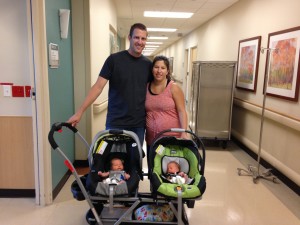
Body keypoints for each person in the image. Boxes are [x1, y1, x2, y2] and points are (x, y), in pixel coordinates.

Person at [67, 23, 152, 145]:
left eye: (143, 38)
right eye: (136, 37)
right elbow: (98, 87)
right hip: (116, 122)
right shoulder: (114, 60)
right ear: (129, 38)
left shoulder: (148, 65)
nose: (140, 42)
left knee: (134, 162)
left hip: (137, 124)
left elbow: (154, 92)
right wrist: (80, 112)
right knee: (114, 162)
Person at [145, 55, 189, 150]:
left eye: (163, 68)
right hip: (152, 140)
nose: (159, 71)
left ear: (167, 71)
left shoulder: (173, 87)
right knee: (153, 165)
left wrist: (183, 132)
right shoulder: (146, 87)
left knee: (170, 165)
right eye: (156, 67)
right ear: (152, 69)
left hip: (172, 139)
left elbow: (182, 111)